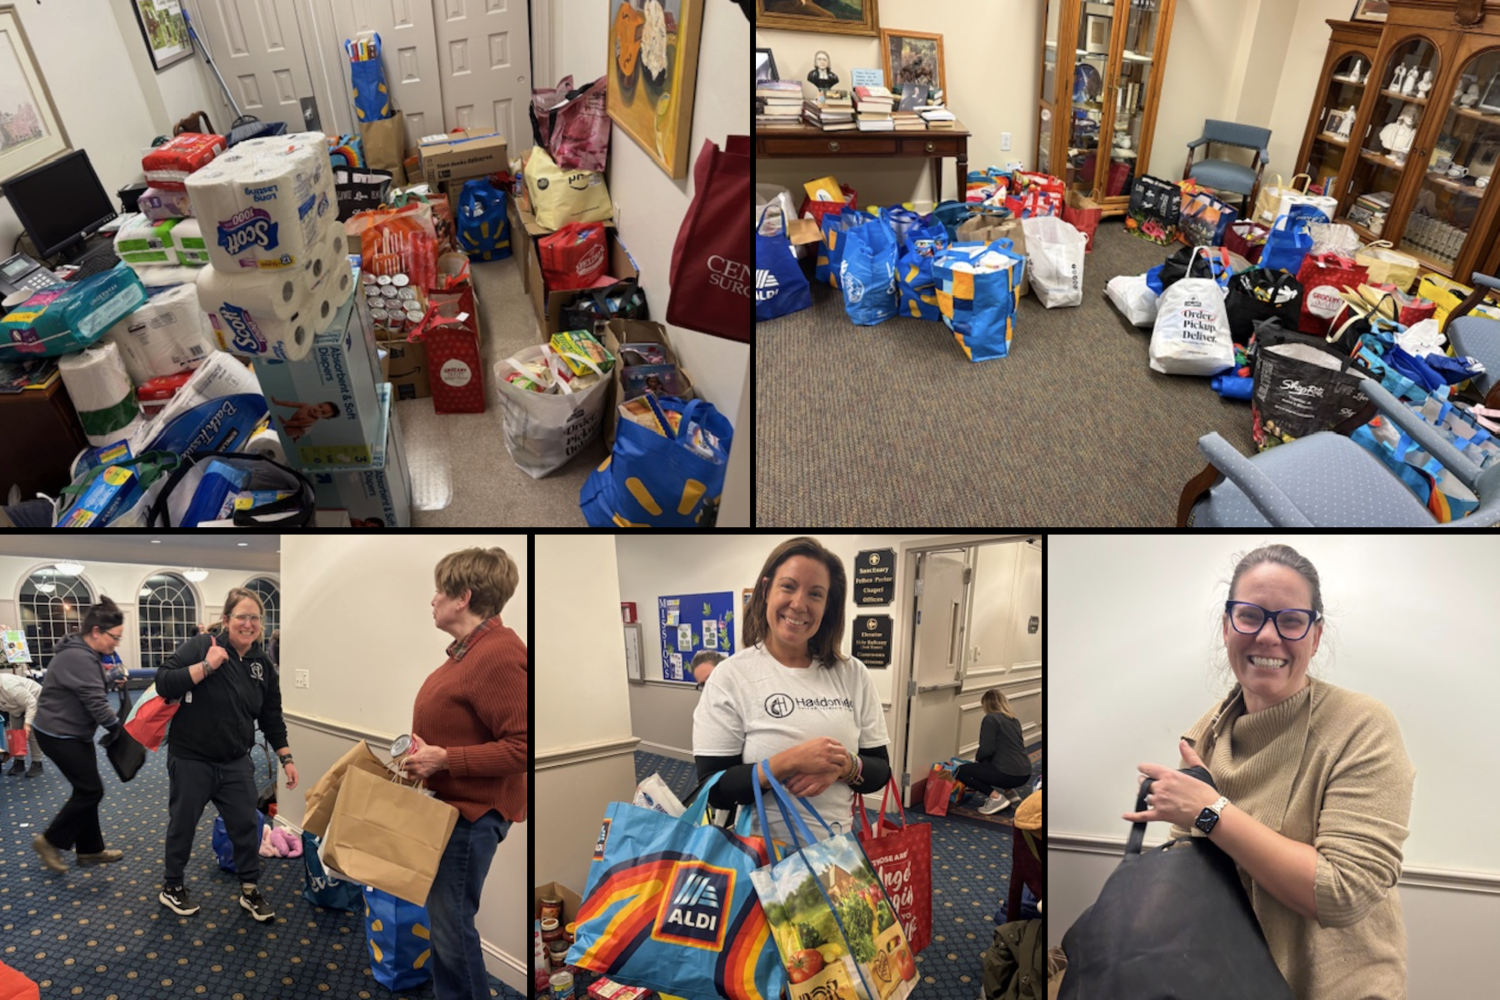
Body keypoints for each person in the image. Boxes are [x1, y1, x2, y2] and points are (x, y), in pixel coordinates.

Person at [1122, 543, 1414, 1000]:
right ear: (1226, 626)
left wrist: (1208, 811)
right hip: (1226, 982)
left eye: (1291, 620)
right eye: (1251, 616)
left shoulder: (1362, 726)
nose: (1267, 637)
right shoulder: (1206, 735)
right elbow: (1197, 869)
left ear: (1315, 637)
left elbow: (1343, 892)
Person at [694, 536, 891, 844]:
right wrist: (790, 761)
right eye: (788, 586)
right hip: (757, 860)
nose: (799, 604)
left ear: (828, 606)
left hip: (838, 854)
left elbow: (879, 771)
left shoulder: (852, 673)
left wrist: (842, 765)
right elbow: (715, 790)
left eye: (816, 594)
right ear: (765, 590)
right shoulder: (730, 676)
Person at [398, 547, 527, 1000]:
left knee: (452, 929)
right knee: (445, 924)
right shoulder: (467, 653)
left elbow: (522, 747)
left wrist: (444, 759)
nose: (432, 599)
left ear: (462, 597)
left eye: (440, 590)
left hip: (472, 817)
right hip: (450, 810)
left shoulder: (496, 655)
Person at [154, 587, 297, 923]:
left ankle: (250, 889)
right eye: (241, 617)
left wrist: (286, 759)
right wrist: (205, 666)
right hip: (192, 758)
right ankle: (172, 886)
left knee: (246, 825)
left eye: (254, 618)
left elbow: (271, 716)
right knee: (183, 824)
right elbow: (164, 681)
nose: (248, 624)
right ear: (226, 620)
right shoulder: (206, 646)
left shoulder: (262, 664)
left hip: (234, 762)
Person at [30, 597, 128, 872]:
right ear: (96, 631)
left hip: (71, 732)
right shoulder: (79, 656)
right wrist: (120, 731)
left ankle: (90, 850)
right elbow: (96, 704)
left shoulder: (81, 652)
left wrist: (108, 679)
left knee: (86, 788)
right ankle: (49, 841)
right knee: (90, 790)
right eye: (114, 637)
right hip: (60, 734)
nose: (116, 644)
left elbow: (85, 686)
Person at [956, 688, 1032, 815]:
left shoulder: (990, 719)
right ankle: (1010, 793)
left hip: (1008, 775)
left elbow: (987, 749)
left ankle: (996, 798)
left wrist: (977, 762)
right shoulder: (1014, 720)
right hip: (1025, 773)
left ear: (986, 704)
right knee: (998, 761)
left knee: (961, 771)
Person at [0, 671, 44, 777]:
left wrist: (27, 724)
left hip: (34, 699)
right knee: (15, 732)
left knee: (31, 733)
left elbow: (31, 703)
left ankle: (37, 763)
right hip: (14, 705)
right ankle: (19, 763)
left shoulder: (9, 687)